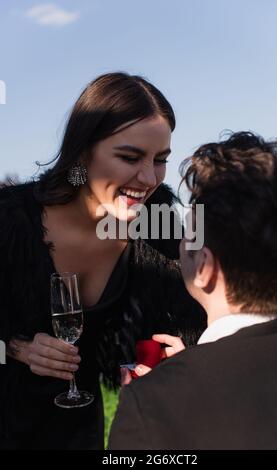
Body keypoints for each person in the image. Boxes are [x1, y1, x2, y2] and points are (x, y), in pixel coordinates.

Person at [0, 72, 205, 450]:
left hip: (84, 436)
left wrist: (187, 357)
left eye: (160, 160)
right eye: (129, 157)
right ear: (82, 151)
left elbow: (201, 321)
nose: (148, 178)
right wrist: (15, 348)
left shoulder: (159, 229)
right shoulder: (9, 220)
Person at [108, 132, 277, 450]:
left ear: (204, 268)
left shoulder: (154, 406)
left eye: (189, 234)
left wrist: (182, 381)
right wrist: (201, 364)